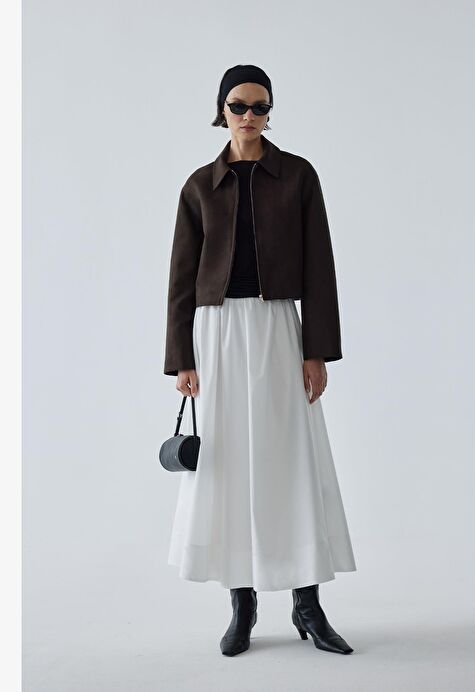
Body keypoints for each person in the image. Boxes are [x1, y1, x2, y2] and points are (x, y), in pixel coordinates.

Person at [163, 64, 357, 656]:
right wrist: (182, 357)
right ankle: (242, 605)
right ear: (221, 110)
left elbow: (320, 266)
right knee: (229, 465)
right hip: (216, 332)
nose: (249, 115)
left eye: (260, 106)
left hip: (277, 327)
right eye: (238, 105)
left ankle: (307, 604)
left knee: (290, 459)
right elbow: (180, 277)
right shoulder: (200, 185)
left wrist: (316, 350)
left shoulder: (298, 176)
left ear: (270, 113)